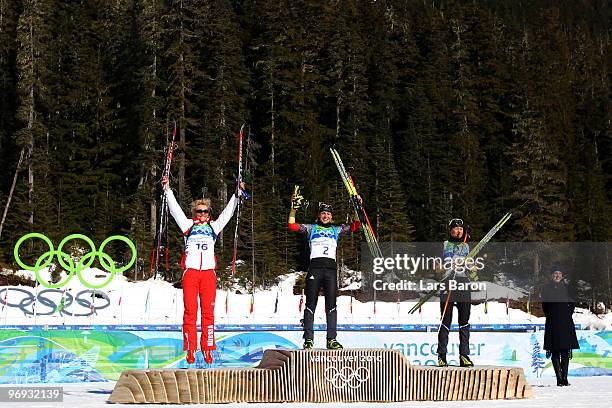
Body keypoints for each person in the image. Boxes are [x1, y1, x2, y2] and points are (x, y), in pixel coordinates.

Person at [162, 176, 246, 365]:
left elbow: (227, 214)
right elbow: (175, 210)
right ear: (194, 213)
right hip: (191, 272)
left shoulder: (214, 227)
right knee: (190, 311)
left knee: (208, 312)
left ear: (209, 213)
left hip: (208, 273)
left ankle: (207, 348)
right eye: (199, 212)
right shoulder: (188, 226)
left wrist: (236, 194)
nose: (202, 214)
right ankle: (191, 349)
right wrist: (167, 190)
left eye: (205, 211)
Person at [288, 189, 360, 350]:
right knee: (310, 304)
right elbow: (292, 225)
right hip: (315, 268)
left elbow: (356, 225)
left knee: (332, 305)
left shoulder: (336, 229)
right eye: (323, 213)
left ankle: (331, 339)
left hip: (330, 271)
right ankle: (308, 339)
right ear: (319, 215)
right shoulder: (311, 228)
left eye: (328, 214)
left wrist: (356, 207)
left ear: (331, 216)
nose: (325, 216)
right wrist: (293, 209)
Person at [437, 218, 474, 367]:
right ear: (450, 230)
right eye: (455, 229)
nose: (458, 231)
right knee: (446, 321)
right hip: (447, 283)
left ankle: (464, 355)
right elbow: (436, 267)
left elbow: (473, 268)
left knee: (464, 321)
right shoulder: (444, 245)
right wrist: (446, 269)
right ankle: (442, 355)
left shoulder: (467, 246)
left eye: (461, 229)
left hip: (463, 283)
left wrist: (471, 267)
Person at [540, 269, 579, 386]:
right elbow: (544, 305)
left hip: (565, 322)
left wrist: (565, 314)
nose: (557, 276)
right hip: (552, 322)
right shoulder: (546, 288)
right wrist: (552, 315)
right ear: (551, 275)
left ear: (562, 276)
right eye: (555, 274)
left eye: (559, 274)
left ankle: (565, 378)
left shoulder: (567, 288)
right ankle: (559, 378)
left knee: (565, 351)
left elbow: (572, 304)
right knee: (555, 351)